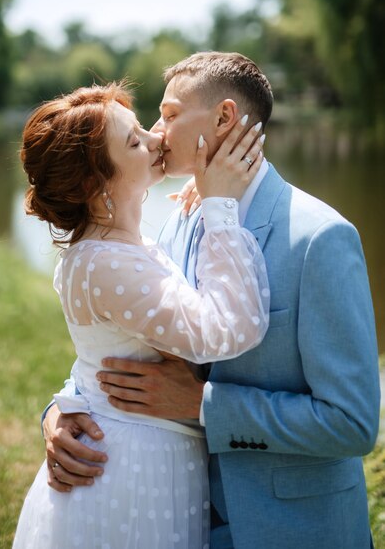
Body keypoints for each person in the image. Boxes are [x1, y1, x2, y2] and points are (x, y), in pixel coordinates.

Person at [43, 52, 381, 549]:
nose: (157, 132)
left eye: (171, 114)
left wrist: (205, 406)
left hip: (292, 531)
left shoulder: (319, 238)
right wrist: (61, 409)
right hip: (179, 516)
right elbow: (132, 338)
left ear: (223, 117)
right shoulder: (177, 220)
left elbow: (352, 425)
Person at [12, 81, 270, 549]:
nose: (157, 138)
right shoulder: (102, 261)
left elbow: (102, 353)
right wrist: (221, 209)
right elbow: (222, 332)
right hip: (128, 473)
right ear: (96, 183)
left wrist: (60, 408)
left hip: (138, 453)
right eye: (134, 141)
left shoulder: (123, 247)